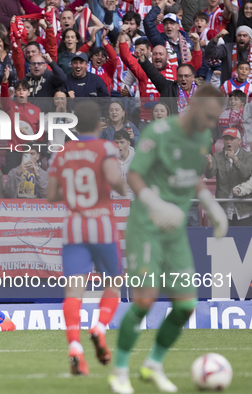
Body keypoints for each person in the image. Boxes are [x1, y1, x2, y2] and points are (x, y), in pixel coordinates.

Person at [109, 85, 228, 394]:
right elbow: (134, 175)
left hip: (174, 229)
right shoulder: (159, 132)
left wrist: (212, 205)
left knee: (186, 304)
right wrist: (155, 202)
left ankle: (153, 364)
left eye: (216, 119)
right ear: (195, 106)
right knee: (145, 300)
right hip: (146, 224)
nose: (211, 125)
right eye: (209, 116)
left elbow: (192, 179)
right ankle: (120, 372)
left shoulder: (202, 137)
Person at [46, 100, 126, 376]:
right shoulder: (105, 147)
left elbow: (52, 195)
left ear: (75, 124)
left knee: (73, 292)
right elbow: (117, 181)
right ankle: (99, 327)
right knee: (114, 283)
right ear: (100, 124)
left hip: (73, 226)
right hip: (101, 223)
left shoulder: (63, 152)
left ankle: (75, 348)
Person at [204, 127, 252, 226]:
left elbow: (246, 173)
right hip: (223, 210)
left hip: (244, 211)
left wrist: (235, 159)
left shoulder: (248, 156)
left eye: (231, 139)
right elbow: (209, 175)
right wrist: (209, 165)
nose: (228, 141)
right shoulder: (217, 156)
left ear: (239, 140)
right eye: (226, 139)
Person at [111, 130, 135, 200]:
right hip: (113, 199)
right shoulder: (109, 160)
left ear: (128, 143)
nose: (119, 145)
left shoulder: (136, 160)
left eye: (122, 142)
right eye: (116, 142)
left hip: (132, 199)